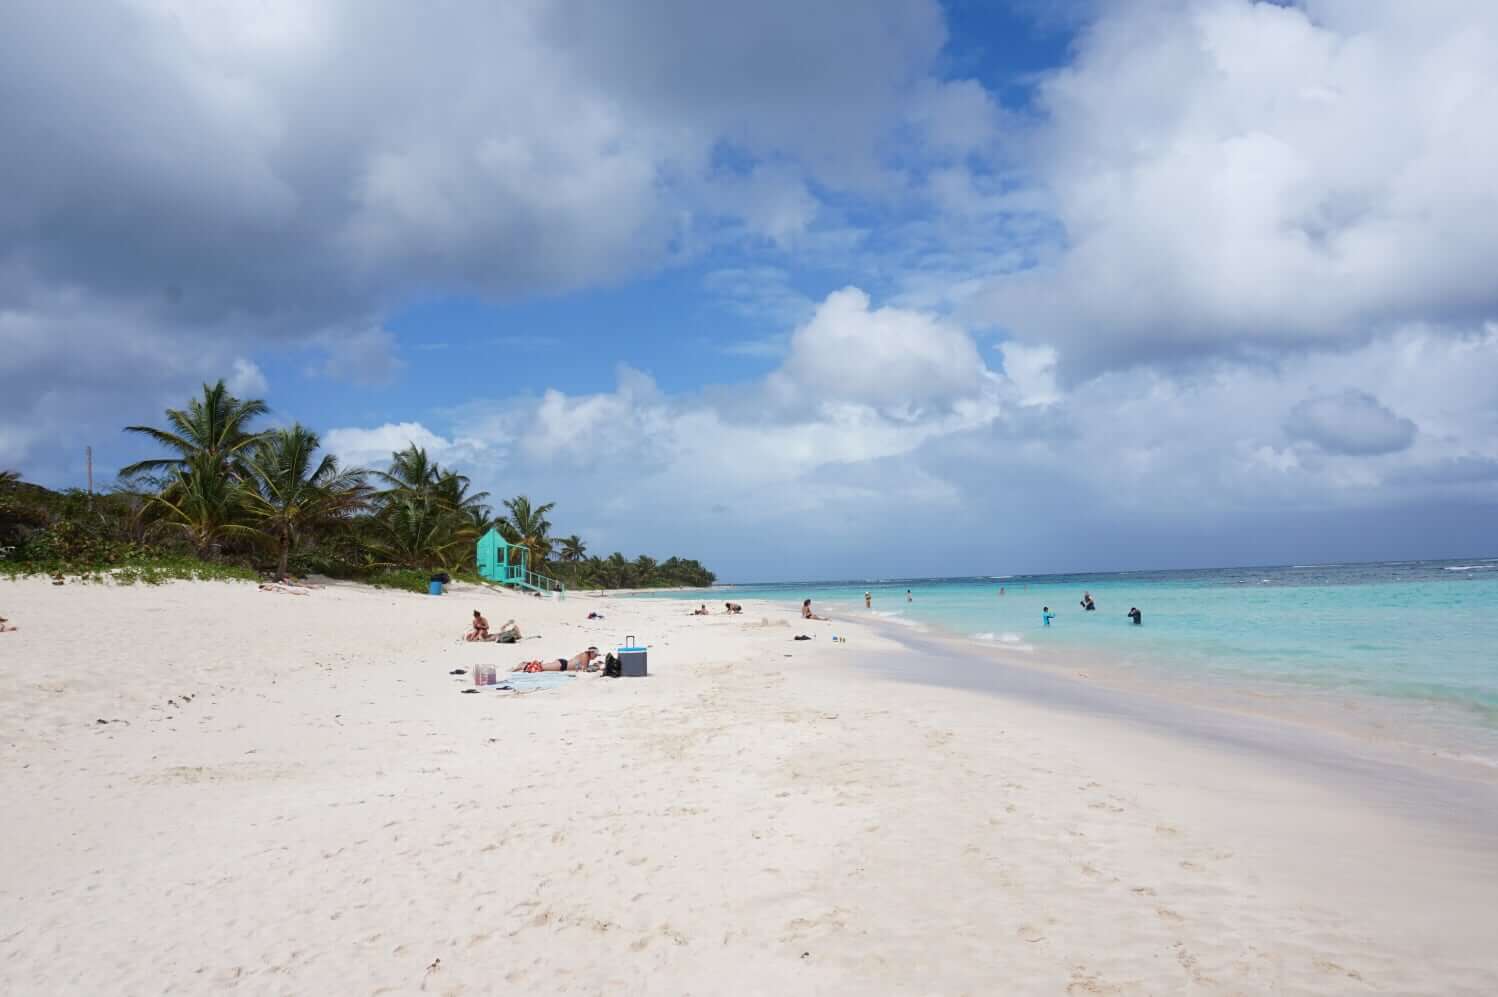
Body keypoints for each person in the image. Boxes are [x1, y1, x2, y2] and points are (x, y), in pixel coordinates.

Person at [514, 647, 601, 672]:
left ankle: (524, 664)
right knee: (540, 668)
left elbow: (581, 667)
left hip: (563, 665)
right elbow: (584, 669)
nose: (596, 657)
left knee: (542, 667)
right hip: (562, 665)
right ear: (591, 653)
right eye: (596, 655)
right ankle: (522, 665)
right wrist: (596, 667)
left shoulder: (586, 657)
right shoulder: (585, 655)